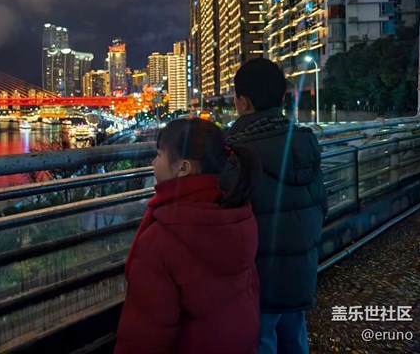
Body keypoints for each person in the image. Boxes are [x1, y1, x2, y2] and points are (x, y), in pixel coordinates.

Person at [115, 118, 261, 354]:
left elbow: (145, 335)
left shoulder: (160, 239)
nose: (153, 162)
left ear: (183, 168)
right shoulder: (239, 215)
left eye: (159, 154)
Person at [225, 57, 327, 354]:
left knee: (261, 340)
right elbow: (322, 205)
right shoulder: (305, 143)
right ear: (282, 97)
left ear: (242, 102)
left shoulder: (235, 154)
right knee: (294, 337)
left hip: (257, 282)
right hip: (301, 275)